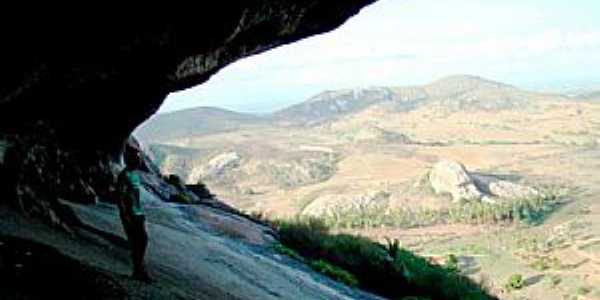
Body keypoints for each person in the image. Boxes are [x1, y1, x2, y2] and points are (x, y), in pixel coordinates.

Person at [117, 146, 151, 282]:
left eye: (139, 158)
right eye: (136, 158)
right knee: (138, 242)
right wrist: (125, 216)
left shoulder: (134, 175)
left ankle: (140, 270)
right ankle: (138, 271)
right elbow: (120, 198)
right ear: (129, 160)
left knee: (142, 241)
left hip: (137, 214)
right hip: (130, 215)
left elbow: (134, 196)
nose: (139, 160)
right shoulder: (124, 176)